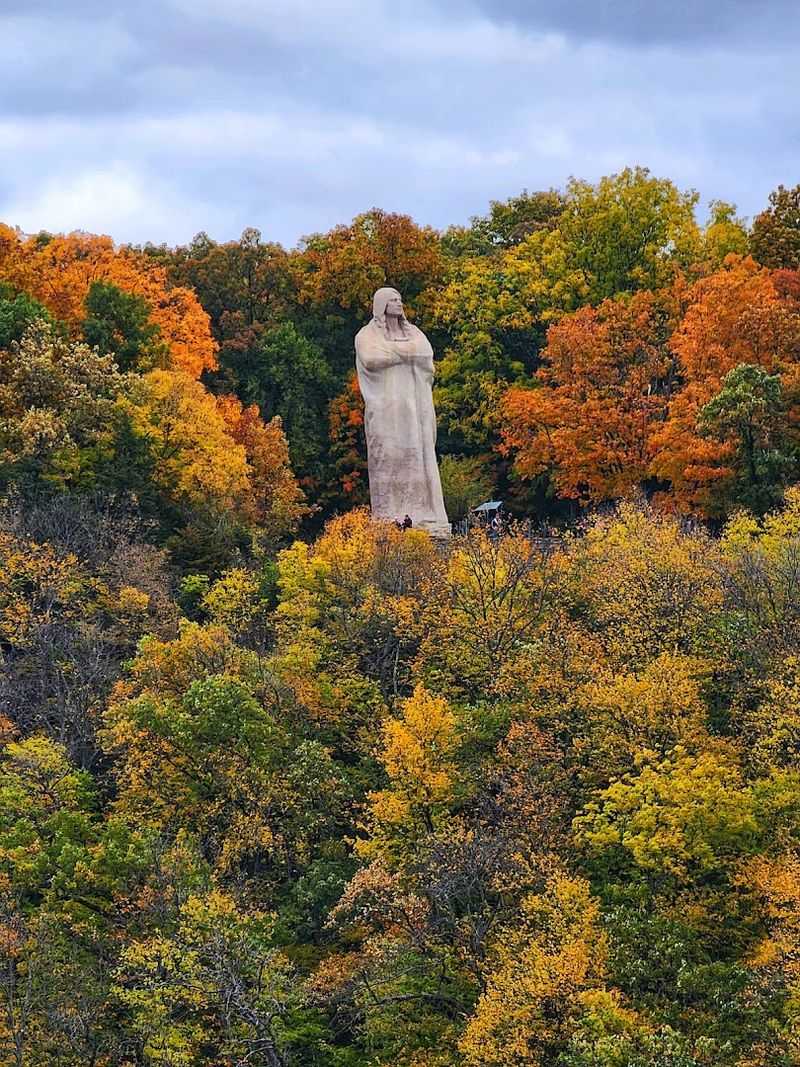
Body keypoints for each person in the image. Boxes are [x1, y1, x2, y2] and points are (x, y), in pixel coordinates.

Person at [355, 288, 450, 538]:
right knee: (389, 456)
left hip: (414, 408)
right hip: (386, 409)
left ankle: (424, 516)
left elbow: (426, 355)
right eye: (393, 300)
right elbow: (371, 358)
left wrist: (395, 354)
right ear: (381, 305)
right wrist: (407, 355)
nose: (399, 303)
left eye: (399, 299)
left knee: (417, 456)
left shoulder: (414, 332)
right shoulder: (366, 335)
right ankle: (391, 516)